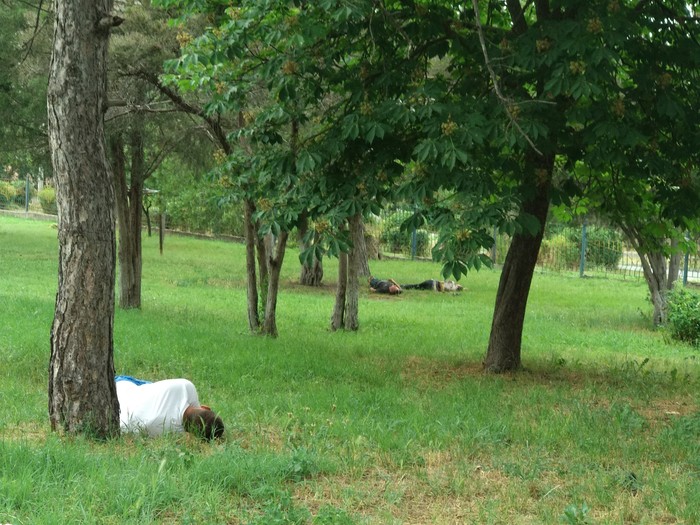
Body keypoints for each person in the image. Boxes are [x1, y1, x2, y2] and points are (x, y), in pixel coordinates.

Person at [115, 376, 224, 440]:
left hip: (120, 385)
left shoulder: (186, 387)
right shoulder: (171, 434)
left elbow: (198, 413)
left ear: (206, 408)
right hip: (116, 416)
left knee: (151, 387)